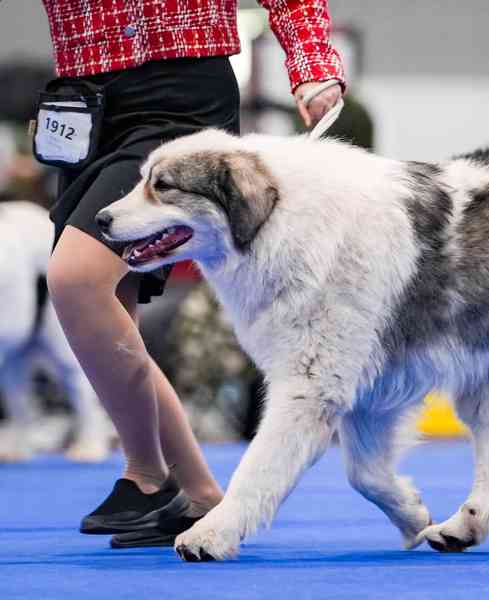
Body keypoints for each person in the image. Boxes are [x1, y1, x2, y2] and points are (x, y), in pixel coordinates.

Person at [37, 0, 344, 548]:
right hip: (85, 99)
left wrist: (312, 62)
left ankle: (163, 482)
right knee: (108, 313)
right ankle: (174, 486)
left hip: (179, 86)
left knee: (75, 280)